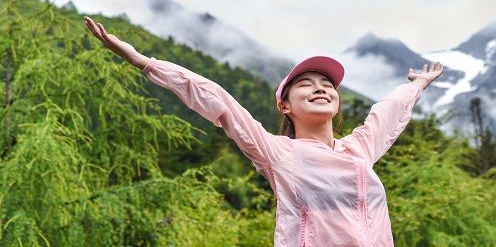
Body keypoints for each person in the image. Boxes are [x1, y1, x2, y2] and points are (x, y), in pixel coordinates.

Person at [84, 16, 444, 247]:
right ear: (285, 106)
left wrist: (417, 85)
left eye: (327, 84)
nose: (321, 87)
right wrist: (146, 63)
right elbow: (218, 100)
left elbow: (387, 112)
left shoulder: (359, 150)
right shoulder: (279, 154)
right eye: (306, 84)